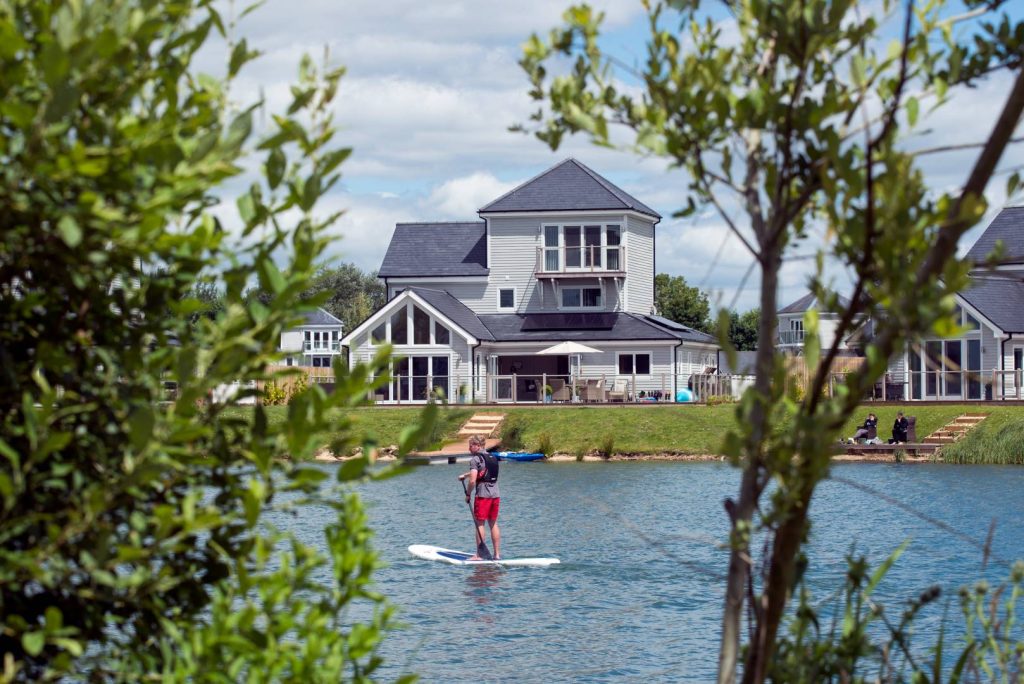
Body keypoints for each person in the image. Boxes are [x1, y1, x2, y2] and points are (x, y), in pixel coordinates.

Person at [458, 434, 501, 560]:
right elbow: (482, 472)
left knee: (479, 523)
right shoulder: (493, 457)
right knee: (493, 523)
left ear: (477, 446)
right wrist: (465, 475)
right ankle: (497, 555)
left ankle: (479, 555)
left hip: (483, 495)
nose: (469, 449)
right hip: (496, 494)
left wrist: (468, 494)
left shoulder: (475, 459)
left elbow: (473, 481)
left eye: (470, 446)